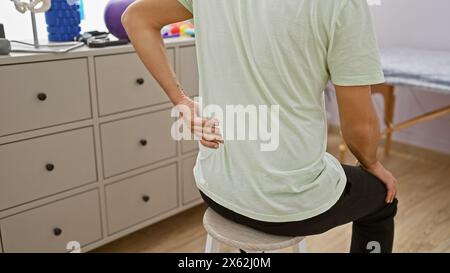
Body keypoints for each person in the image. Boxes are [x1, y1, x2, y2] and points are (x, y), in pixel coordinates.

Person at [122, 0, 398, 253]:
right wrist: (373, 165)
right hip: (289, 204)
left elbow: (135, 18)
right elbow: (358, 127)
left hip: (216, 188)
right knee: (382, 200)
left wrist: (180, 100)